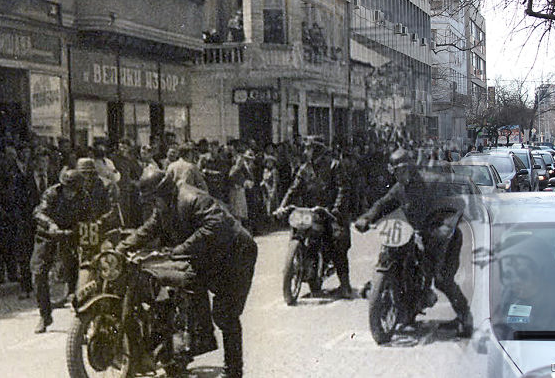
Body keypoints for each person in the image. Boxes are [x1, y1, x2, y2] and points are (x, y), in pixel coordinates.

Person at [116, 167, 257, 378]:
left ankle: (234, 370)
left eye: (154, 199)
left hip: (235, 254)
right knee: (175, 287)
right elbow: (149, 229)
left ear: (163, 193)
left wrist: (181, 249)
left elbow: (215, 226)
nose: (153, 205)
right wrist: (122, 247)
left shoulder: (191, 198)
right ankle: (182, 349)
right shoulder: (164, 207)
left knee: (225, 314)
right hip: (208, 254)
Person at [354, 147, 472, 337]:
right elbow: (383, 204)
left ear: (410, 167)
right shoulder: (400, 188)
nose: (399, 175)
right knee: (398, 259)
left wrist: (443, 229)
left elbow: (458, 204)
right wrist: (367, 218)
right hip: (417, 233)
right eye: (395, 171)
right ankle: (405, 308)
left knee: (442, 279)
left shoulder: (433, 182)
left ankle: (466, 319)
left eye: (402, 170)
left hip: (444, 239)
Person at [30, 168, 111, 333]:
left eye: (73, 189)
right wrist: (50, 224)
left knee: (76, 275)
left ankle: (80, 318)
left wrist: (85, 233)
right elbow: (38, 212)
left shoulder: (84, 197)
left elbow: (89, 220)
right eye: (67, 188)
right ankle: (44, 315)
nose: (69, 193)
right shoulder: (51, 193)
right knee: (38, 272)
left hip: (70, 236)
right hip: (48, 235)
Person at [277, 138, 357, 299]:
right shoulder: (304, 169)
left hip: (331, 214)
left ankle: (345, 285)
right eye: (305, 149)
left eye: (308, 149)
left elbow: (343, 189)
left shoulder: (335, 165)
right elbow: (293, 189)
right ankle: (308, 273)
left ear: (318, 150)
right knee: (301, 233)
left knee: (337, 243)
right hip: (311, 213)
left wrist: (336, 209)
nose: (305, 152)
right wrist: (282, 206)